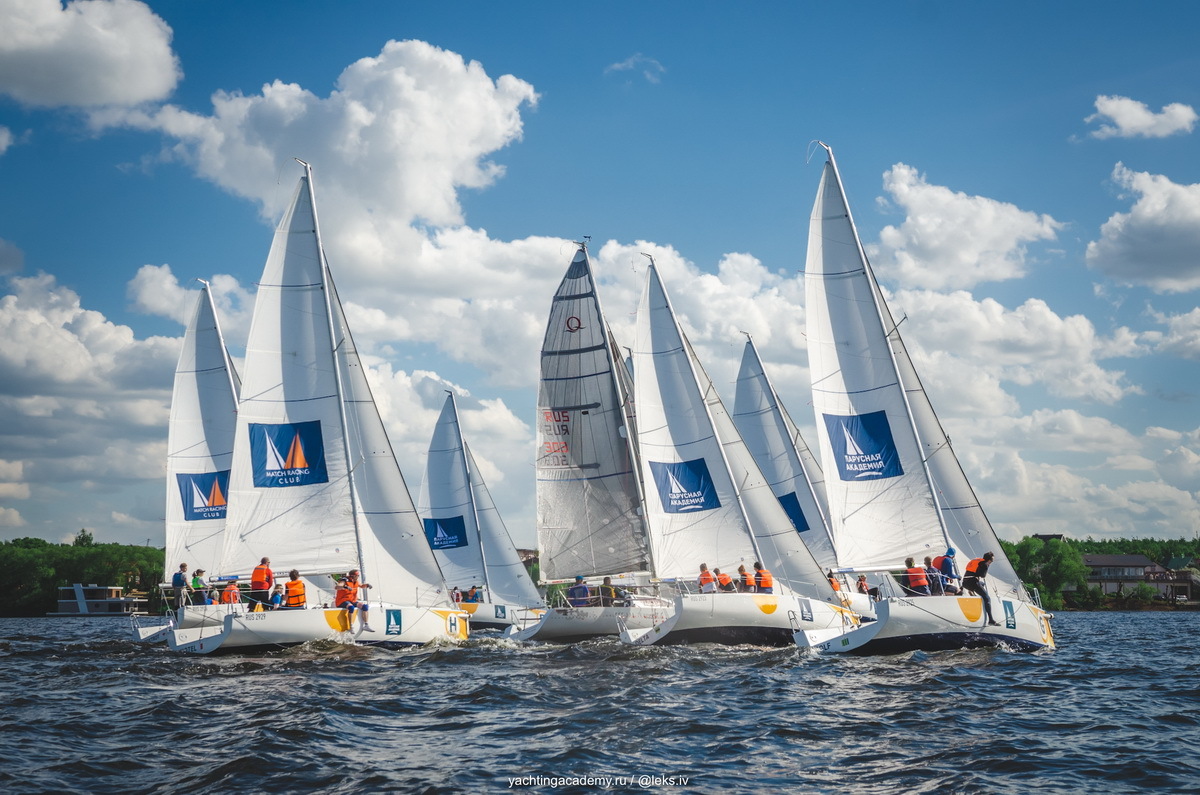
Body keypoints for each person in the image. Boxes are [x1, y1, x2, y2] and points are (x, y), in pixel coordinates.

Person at [962, 551, 999, 625]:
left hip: (965, 582)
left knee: (982, 584)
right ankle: (991, 620)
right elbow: (983, 575)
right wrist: (987, 566)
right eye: (991, 561)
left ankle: (971, 591)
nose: (991, 562)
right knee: (987, 598)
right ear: (989, 560)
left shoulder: (978, 561)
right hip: (972, 582)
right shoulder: (985, 564)